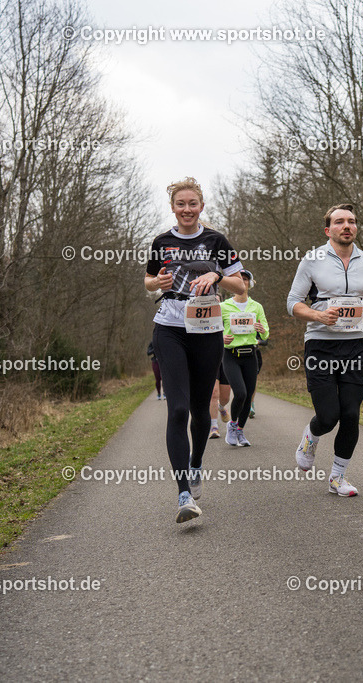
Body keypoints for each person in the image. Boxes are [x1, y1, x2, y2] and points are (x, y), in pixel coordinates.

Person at [145, 177, 245, 523]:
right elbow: (147, 281)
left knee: (203, 410)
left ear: (201, 207)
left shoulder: (216, 240)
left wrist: (217, 276)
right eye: (180, 204)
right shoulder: (162, 242)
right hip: (170, 328)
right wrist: (155, 283)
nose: (186, 209)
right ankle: (183, 493)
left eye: (193, 204)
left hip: (207, 330)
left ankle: (197, 463)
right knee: (178, 410)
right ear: (173, 207)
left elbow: (242, 282)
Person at [287, 203, 363, 497]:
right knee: (329, 416)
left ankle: (338, 477)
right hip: (320, 343)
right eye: (340, 221)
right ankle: (311, 436)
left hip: (355, 344)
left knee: (351, 414)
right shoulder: (312, 260)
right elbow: (292, 302)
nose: (347, 226)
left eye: (352, 221)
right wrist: (317, 315)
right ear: (328, 229)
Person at [220, 269, 269, 446]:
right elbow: (212, 330)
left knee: (248, 396)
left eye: (246, 279)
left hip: (251, 354)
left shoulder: (256, 307)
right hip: (230, 354)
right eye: (238, 279)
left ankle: (240, 431)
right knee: (240, 393)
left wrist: (262, 331)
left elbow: (265, 334)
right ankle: (232, 426)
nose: (243, 282)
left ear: (249, 283)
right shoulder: (223, 306)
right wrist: (220, 338)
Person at [209, 372, 232, 438]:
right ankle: (214, 427)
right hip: (212, 363)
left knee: (225, 398)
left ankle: (221, 407)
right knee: (214, 393)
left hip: (223, 363)